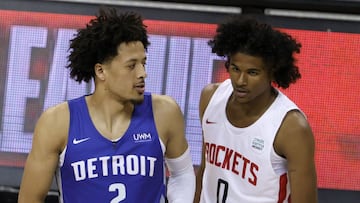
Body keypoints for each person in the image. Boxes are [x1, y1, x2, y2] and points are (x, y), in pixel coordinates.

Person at [18, 7, 195, 203]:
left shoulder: (165, 112)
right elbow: (29, 199)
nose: (142, 73)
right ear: (101, 71)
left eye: (143, 63)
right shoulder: (57, 122)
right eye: (131, 65)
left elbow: (182, 174)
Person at [194, 15, 318, 203]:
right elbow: (205, 171)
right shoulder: (210, 98)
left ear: (272, 73)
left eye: (252, 72)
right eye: (235, 69)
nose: (241, 81)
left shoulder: (291, 127)